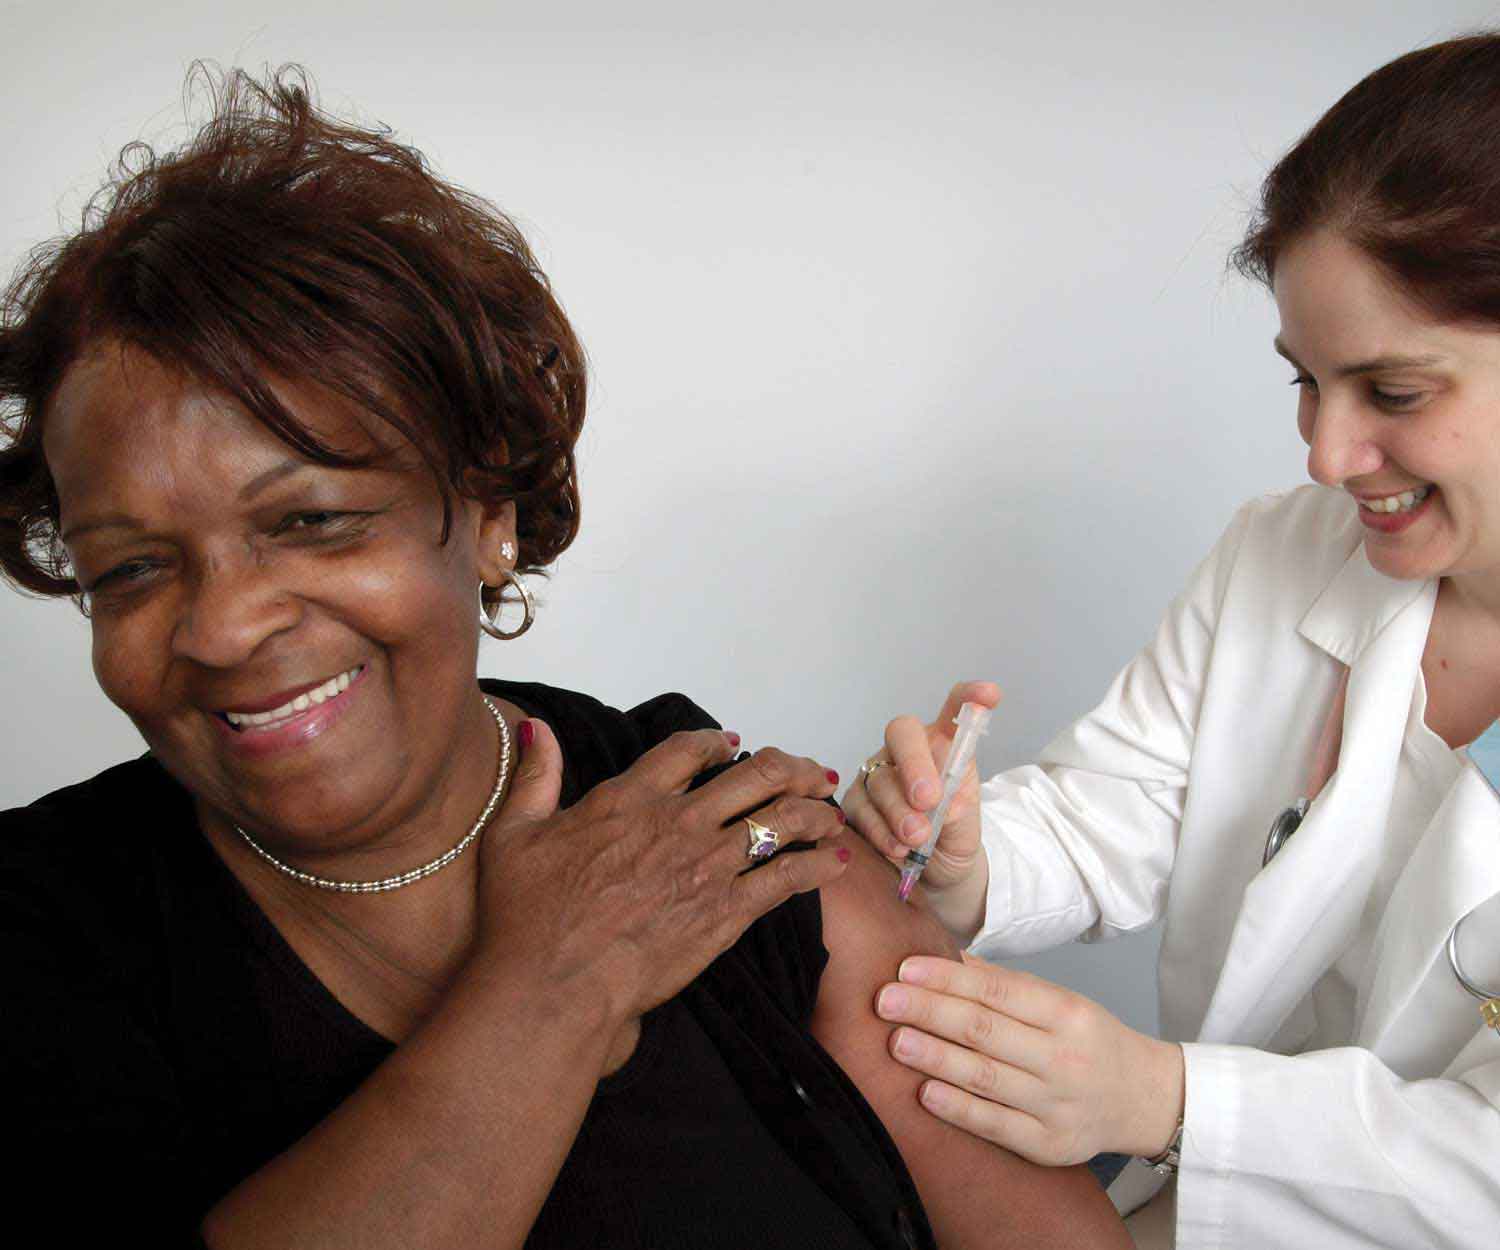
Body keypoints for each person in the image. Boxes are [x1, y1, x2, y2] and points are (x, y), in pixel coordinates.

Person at [0, 68, 1133, 1250]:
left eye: (311, 520)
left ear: (488, 510)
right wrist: (555, 983)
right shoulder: (44, 939)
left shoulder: (709, 824)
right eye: (131, 567)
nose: (223, 627)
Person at [845, 32, 1500, 1250]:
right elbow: (1129, 804)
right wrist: (970, 862)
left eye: (1394, 393)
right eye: (1305, 381)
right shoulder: (1284, 553)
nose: (1327, 454)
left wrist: (1169, 1099)